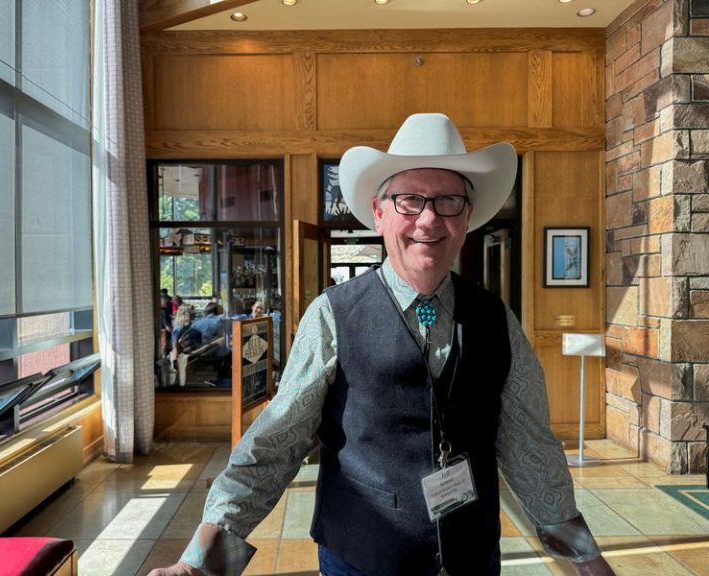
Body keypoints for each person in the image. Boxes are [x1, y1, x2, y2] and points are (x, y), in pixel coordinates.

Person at [148, 114, 615, 576]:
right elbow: (275, 442)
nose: (429, 219)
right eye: (410, 200)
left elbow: (530, 447)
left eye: (448, 201)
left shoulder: (498, 319)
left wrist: (585, 558)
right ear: (379, 212)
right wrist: (201, 562)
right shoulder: (331, 315)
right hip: (361, 556)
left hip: (472, 556)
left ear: (467, 215)